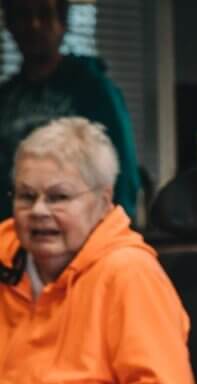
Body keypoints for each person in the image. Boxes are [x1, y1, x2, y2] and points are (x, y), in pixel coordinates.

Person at [0, 117, 195, 384]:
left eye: (58, 197)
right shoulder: (5, 253)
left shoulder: (129, 272)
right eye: (26, 195)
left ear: (103, 201)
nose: (38, 211)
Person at [0, 0, 140, 221]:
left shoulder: (95, 90)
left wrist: (114, 230)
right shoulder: (6, 98)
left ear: (62, 22)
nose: (34, 25)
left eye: (44, 14)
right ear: (10, 25)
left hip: (80, 231)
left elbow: (123, 171)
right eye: (23, 15)